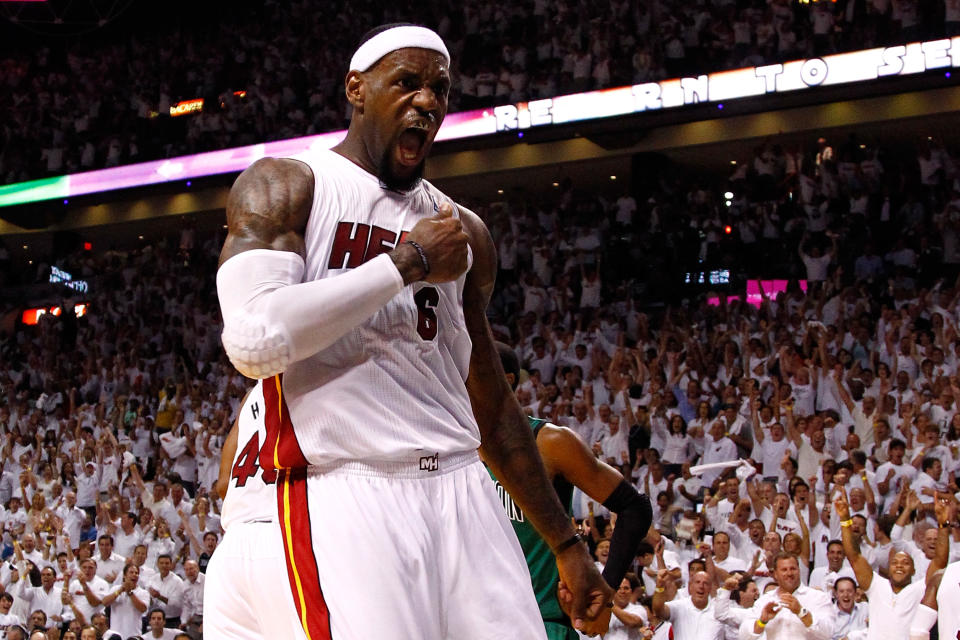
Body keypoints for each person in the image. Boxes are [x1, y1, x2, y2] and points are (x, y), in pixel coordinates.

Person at [214, 22, 609, 640]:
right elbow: (253, 342)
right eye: (407, 83)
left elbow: (492, 404)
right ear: (357, 90)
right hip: (350, 491)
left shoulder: (463, 230)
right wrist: (406, 264)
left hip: (462, 487)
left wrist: (566, 543)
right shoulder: (289, 185)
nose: (428, 101)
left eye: (440, 89)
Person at [493, 343, 654, 639]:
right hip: (475, 618)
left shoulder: (550, 442)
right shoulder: (454, 447)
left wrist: (603, 595)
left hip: (539, 622)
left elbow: (635, 509)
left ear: (504, 379)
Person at [204, 384, 307, 640]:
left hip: (230, 550)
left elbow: (223, 486)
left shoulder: (252, 396)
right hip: (281, 537)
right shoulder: (315, 375)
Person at [833, 486, 949, 640]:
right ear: (889, 567)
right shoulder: (876, 585)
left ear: (914, 571)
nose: (899, 565)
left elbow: (940, 562)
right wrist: (844, 519)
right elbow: (853, 556)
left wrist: (943, 525)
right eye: (895, 562)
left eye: (905, 563)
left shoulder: (919, 589)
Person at [738, 552, 835, 638]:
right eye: (784, 570)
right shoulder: (764, 601)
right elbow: (743, 636)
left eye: (793, 569)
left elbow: (828, 632)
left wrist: (802, 612)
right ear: (775, 574)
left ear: (799, 570)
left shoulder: (818, 597)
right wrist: (762, 621)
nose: (789, 573)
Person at [652, 569, 723, 640]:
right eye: (697, 582)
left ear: (710, 588)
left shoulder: (719, 611)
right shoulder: (678, 606)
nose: (701, 586)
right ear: (690, 586)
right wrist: (659, 587)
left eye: (705, 583)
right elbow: (658, 610)